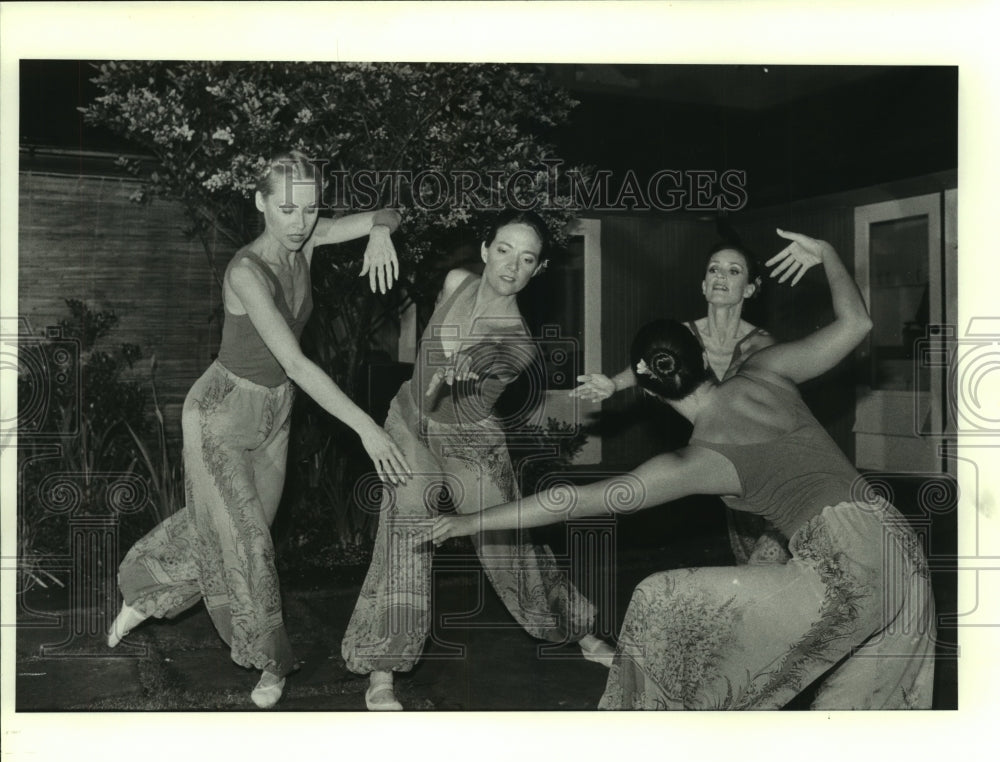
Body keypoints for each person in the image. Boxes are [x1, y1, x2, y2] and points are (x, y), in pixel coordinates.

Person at [417, 229, 936, 710]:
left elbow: (571, 501)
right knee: (862, 725)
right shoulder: (768, 371)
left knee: (659, 601)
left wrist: (469, 521)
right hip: (901, 547)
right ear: (703, 355)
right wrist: (825, 251)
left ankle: (648, 749)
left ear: (646, 379)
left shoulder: (698, 460)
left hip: (844, 569)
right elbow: (858, 324)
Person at [107, 152, 411, 709]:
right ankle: (269, 663)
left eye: (311, 208)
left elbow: (388, 209)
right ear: (260, 202)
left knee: (232, 529)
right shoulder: (246, 271)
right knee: (248, 544)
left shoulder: (309, 240)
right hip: (219, 414)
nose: (299, 221)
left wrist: (381, 234)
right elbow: (294, 362)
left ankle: (145, 592)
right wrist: (367, 427)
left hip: (276, 413)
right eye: (286, 208)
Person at [341, 209, 615, 711]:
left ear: (537, 269)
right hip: (409, 420)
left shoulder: (520, 344)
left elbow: (497, 358)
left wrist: (478, 359)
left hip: (470, 439)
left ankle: (573, 626)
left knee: (509, 545)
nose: (512, 265)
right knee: (407, 525)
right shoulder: (456, 282)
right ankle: (384, 665)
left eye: (527, 258)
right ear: (487, 250)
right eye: (505, 250)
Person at [571, 242, 789, 565]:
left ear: (750, 288)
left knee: (772, 557)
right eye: (713, 269)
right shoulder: (685, 335)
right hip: (723, 462)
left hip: (768, 464)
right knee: (747, 556)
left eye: (734, 271)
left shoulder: (761, 343)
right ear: (703, 285)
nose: (720, 276)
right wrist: (613, 384)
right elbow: (650, 362)